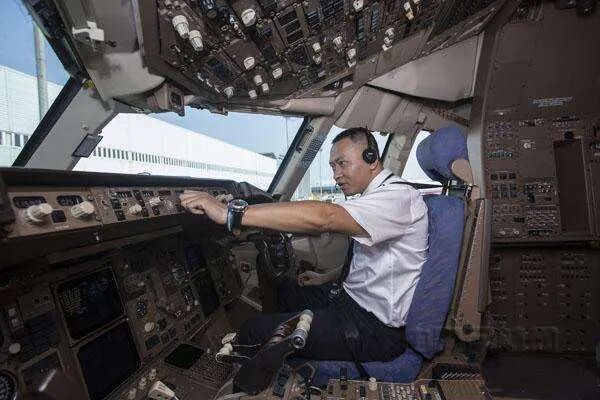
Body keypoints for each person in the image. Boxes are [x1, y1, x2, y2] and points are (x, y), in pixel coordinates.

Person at [179, 127, 428, 362]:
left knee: (253, 331)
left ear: (371, 159)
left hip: (373, 329)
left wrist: (229, 213)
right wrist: (326, 278)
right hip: (350, 300)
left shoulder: (397, 197)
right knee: (285, 290)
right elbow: (374, 261)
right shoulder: (377, 197)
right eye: (332, 166)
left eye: (342, 163)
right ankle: (275, 354)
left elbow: (326, 217)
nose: (336, 175)